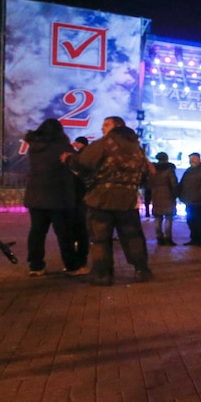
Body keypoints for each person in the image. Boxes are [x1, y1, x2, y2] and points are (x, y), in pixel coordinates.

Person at [62, 116, 154, 285]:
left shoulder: (104, 144)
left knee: (100, 238)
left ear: (116, 127)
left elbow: (83, 162)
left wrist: (68, 159)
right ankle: (141, 269)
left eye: (106, 125)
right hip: (128, 199)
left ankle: (103, 275)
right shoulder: (137, 148)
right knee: (133, 236)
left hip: (101, 198)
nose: (102, 128)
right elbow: (146, 173)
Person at [23, 118, 85, 276]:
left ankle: (36, 266)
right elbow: (75, 167)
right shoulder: (64, 147)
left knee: (37, 232)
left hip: (35, 195)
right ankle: (71, 265)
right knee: (64, 234)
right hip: (59, 196)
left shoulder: (33, 147)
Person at [178, 152, 201, 247]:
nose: (191, 161)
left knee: (200, 221)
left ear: (198, 159)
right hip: (190, 200)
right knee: (191, 220)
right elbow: (182, 183)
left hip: (200, 201)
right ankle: (195, 238)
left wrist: (200, 193)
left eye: (193, 159)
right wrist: (181, 195)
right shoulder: (189, 171)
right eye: (191, 159)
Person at [70, 136, 91, 269]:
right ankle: (81, 258)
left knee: (76, 228)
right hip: (86, 196)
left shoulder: (77, 158)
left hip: (75, 197)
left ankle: (76, 259)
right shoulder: (91, 155)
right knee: (83, 227)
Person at [150, 152, 178, 246]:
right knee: (168, 217)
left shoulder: (153, 169)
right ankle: (168, 238)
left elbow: (148, 183)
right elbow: (173, 183)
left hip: (156, 195)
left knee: (158, 217)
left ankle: (159, 237)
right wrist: (175, 193)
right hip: (167, 194)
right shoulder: (169, 170)